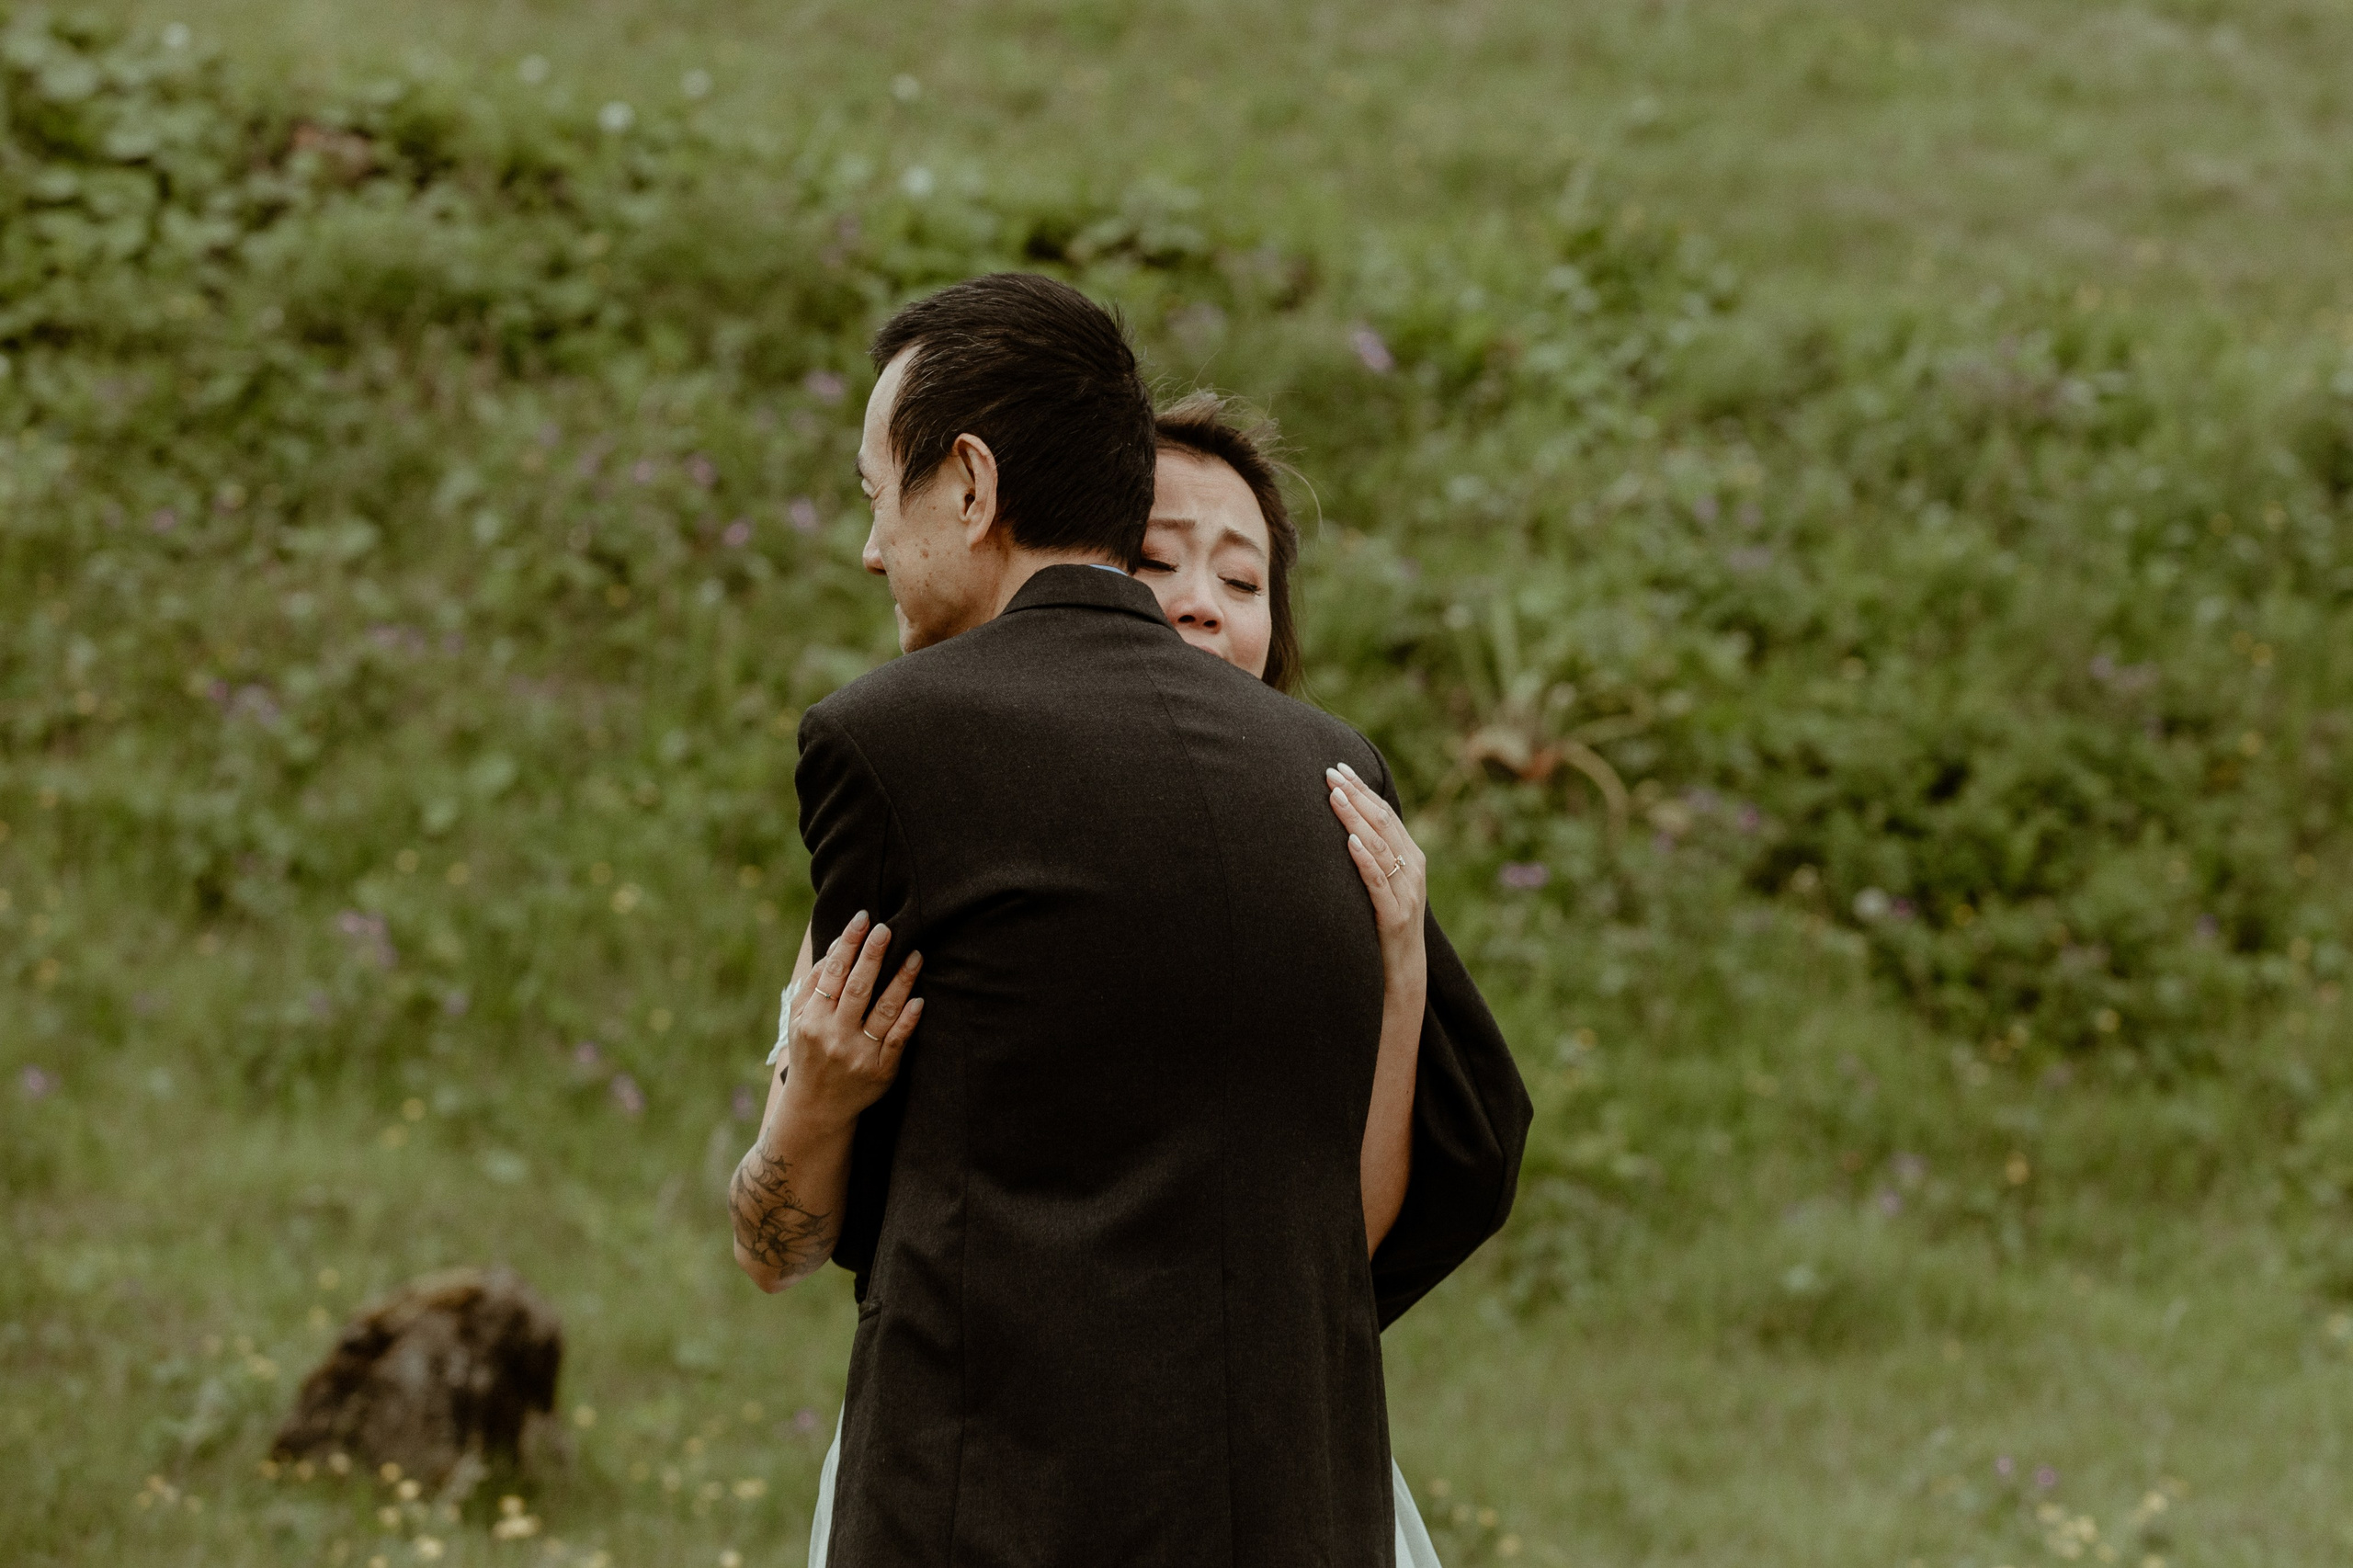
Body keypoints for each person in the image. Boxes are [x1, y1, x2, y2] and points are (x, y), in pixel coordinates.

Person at [728, 274, 1529, 1567]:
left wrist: (812, 1109)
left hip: (988, 1507)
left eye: (882, 496)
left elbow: (804, 1239)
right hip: (1293, 1498)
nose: (873, 546)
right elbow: (1437, 1172)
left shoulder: (889, 745)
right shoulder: (1335, 772)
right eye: (1163, 558)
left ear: (973, 487)